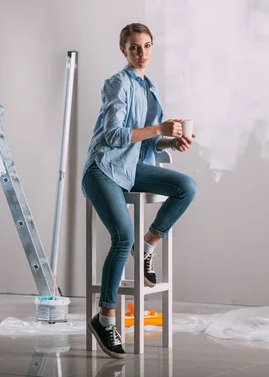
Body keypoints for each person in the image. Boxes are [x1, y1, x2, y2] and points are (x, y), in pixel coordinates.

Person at [81, 23, 197, 358]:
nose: (141, 53)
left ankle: (148, 245)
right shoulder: (117, 83)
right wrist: (158, 128)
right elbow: (114, 136)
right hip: (103, 169)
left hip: (130, 168)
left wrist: (169, 141)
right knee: (122, 238)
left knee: (185, 186)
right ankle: (105, 317)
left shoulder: (149, 86)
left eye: (146, 46)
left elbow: (144, 140)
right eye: (134, 47)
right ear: (123, 50)